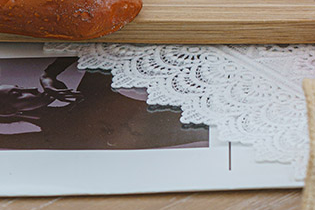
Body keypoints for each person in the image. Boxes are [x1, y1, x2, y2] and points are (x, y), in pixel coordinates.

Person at [0, 57, 207, 150]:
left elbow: (97, 49)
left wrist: (48, 74)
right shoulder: (52, 136)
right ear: (8, 113)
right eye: (18, 94)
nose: (31, 89)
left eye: (21, 86)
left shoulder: (85, 94)